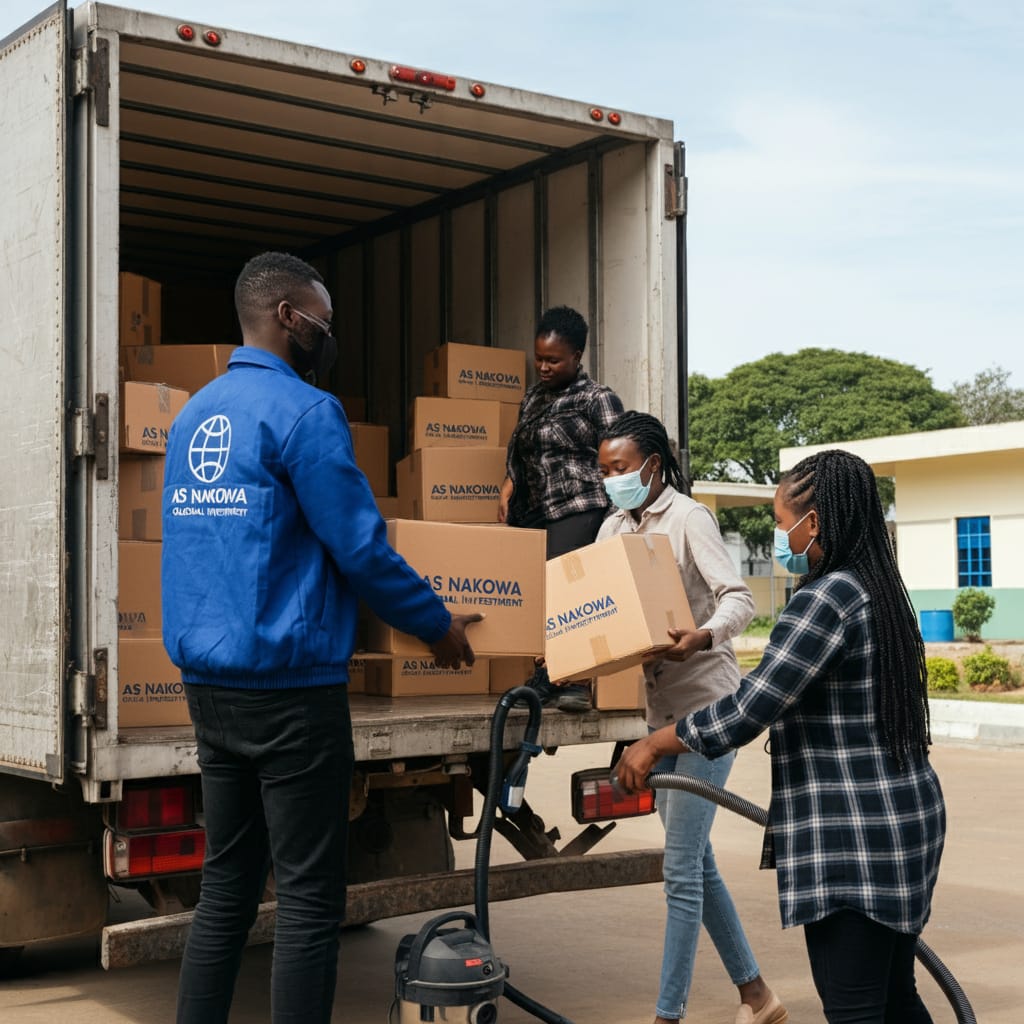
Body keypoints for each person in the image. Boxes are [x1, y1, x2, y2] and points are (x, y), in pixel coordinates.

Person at [161, 252, 480, 1024]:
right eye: (322, 321)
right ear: (286, 315)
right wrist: (436, 626)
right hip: (292, 694)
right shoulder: (306, 413)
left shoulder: (195, 415)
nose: (327, 335)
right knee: (308, 900)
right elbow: (360, 547)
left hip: (210, 688)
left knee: (227, 886)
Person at [614, 449, 946, 1024]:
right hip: (906, 823)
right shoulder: (878, 590)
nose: (777, 535)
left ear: (811, 523)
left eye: (779, 521)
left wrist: (654, 743)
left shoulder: (825, 600)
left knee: (856, 1010)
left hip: (854, 837)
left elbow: (749, 709)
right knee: (895, 998)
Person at [596, 412, 786, 1024]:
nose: (612, 479)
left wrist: (703, 636)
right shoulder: (611, 527)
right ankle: (757, 995)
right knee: (697, 862)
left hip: (708, 710)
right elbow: (600, 607)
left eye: (620, 468)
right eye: (605, 470)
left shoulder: (688, 518)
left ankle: (667, 1015)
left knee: (680, 868)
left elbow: (739, 599)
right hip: (659, 715)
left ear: (652, 465)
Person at [498, 305, 624, 711]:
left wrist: (621, 517)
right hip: (537, 511)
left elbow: (621, 456)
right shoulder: (533, 397)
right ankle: (552, 674)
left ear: (577, 356)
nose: (543, 367)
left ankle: (573, 681)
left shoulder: (597, 398)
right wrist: (509, 483)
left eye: (553, 360)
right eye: (539, 358)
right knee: (540, 597)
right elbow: (523, 451)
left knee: (570, 595)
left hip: (580, 504)